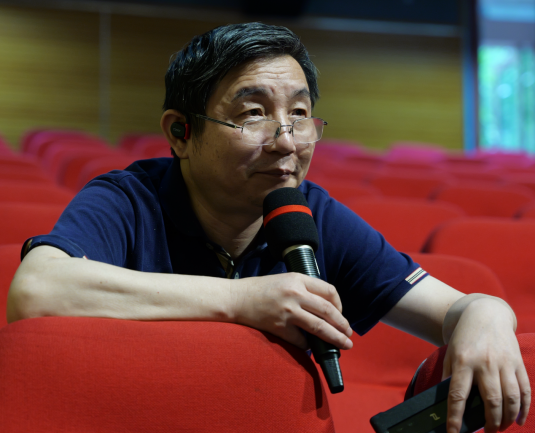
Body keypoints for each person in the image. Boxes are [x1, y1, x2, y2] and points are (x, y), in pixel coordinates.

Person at [7, 22, 529, 433]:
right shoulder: (128, 198)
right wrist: (243, 301)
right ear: (181, 132)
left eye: (300, 113)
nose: (286, 141)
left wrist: (487, 313)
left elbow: (454, 309)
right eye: (253, 113)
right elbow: (37, 289)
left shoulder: (311, 213)